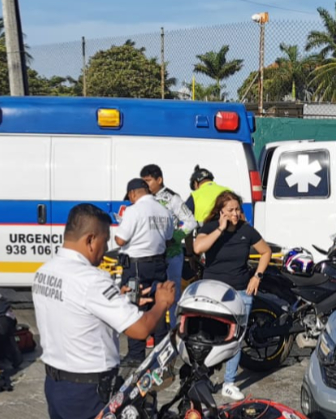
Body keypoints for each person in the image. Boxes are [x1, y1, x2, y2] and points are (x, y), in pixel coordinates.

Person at [35, 203, 175, 419]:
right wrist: (161, 304)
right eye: (104, 240)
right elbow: (140, 329)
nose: (107, 248)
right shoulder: (91, 280)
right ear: (89, 239)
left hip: (57, 385)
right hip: (89, 391)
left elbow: (79, 313)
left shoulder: (46, 272)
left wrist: (122, 299)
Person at [191, 189, 271, 401]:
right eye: (230, 210)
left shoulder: (246, 230)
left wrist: (257, 276)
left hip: (240, 291)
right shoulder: (209, 228)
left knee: (236, 338)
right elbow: (198, 248)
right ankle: (203, 378)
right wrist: (220, 228)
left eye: (237, 209)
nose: (235, 213)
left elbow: (266, 252)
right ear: (221, 211)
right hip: (213, 292)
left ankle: (229, 382)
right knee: (209, 336)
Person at [114, 177, 174, 368]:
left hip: (136, 268)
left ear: (133, 193)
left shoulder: (133, 211)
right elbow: (170, 237)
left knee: (135, 307)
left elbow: (120, 241)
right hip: (158, 264)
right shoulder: (164, 210)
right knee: (159, 306)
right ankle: (161, 355)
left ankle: (136, 354)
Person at [140, 162, 197, 327]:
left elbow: (191, 221)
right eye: (143, 181)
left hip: (172, 254)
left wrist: (174, 237)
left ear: (159, 179)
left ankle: (174, 330)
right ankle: (152, 330)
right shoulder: (144, 199)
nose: (146, 184)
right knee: (151, 291)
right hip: (152, 254)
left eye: (149, 180)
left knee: (173, 293)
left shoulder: (172, 198)